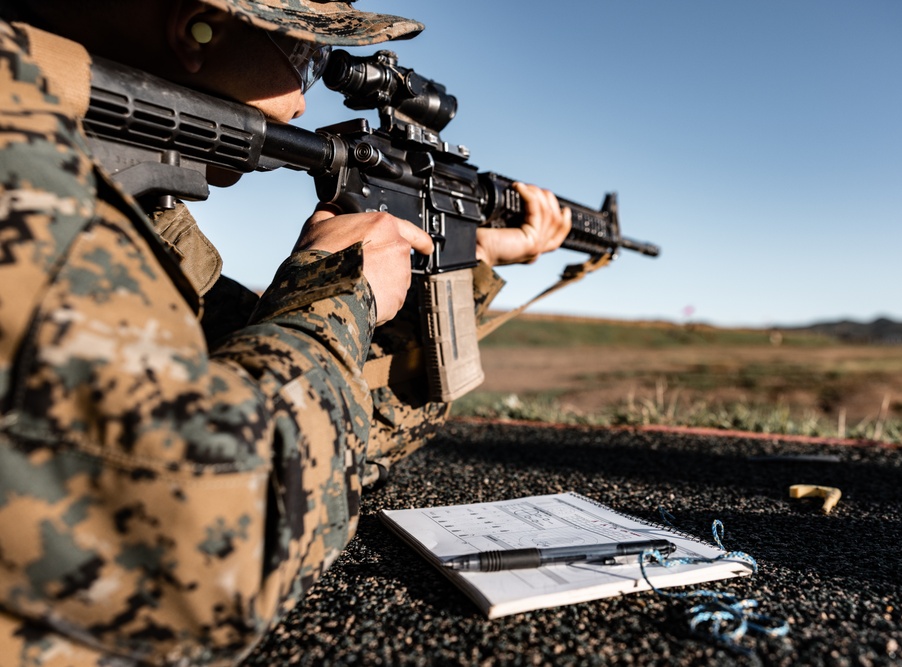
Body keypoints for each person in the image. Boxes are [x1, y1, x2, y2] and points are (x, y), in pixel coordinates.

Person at [0, 1, 572, 664]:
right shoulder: (26, 172)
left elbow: (334, 430)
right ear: (196, 29)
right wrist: (336, 289)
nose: (307, 100)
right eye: (306, 57)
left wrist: (467, 260)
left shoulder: (137, 212)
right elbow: (214, 546)